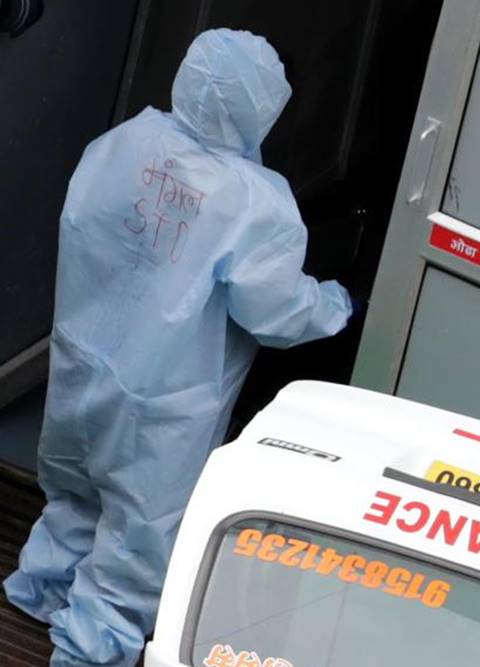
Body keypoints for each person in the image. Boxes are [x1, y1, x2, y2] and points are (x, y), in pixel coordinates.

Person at [2, 29, 354, 666]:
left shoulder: (124, 143)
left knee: (75, 493)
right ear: (261, 106)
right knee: (138, 537)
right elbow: (274, 310)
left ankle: (42, 588)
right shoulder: (254, 203)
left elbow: (80, 224)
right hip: (163, 402)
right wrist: (335, 305)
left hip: (84, 364)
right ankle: (88, 649)